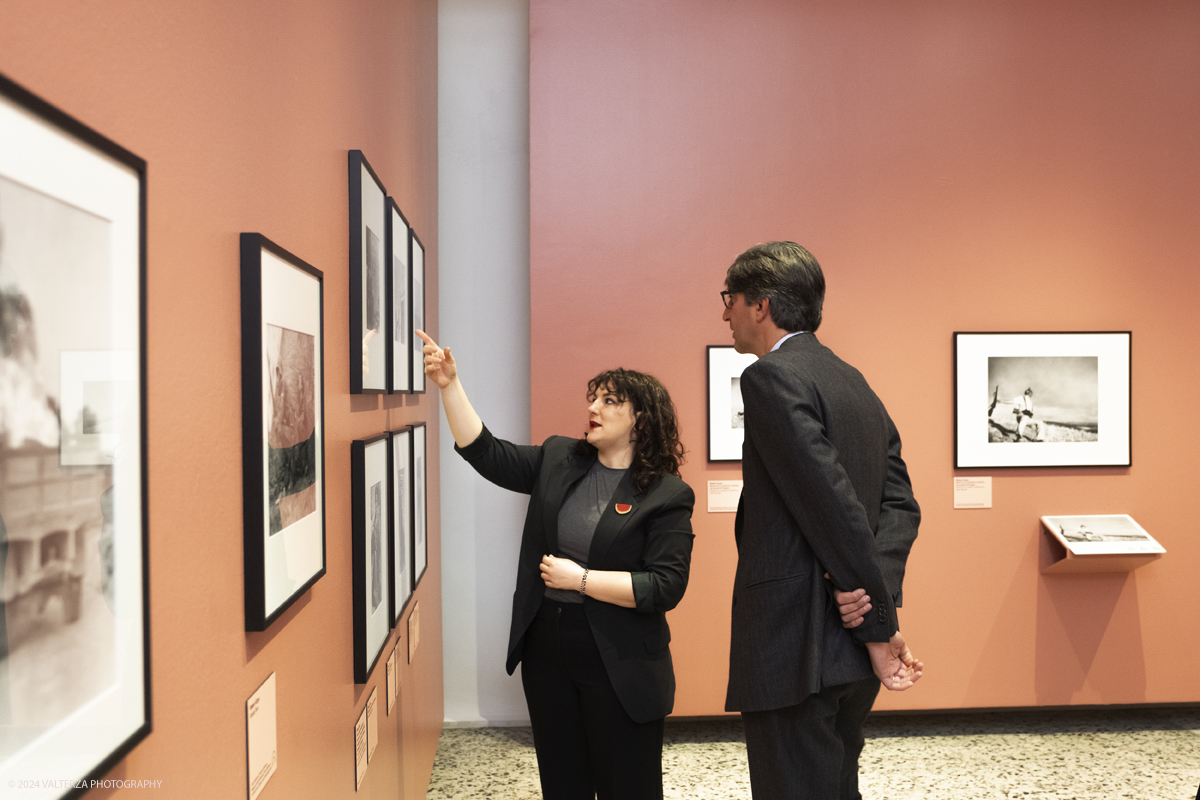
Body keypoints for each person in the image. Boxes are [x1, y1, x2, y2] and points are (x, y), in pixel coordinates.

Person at [416, 329, 694, 800]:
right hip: (548, 650)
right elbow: (486, 452)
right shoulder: (560, 457)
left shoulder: (666, 494)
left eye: (609, 401)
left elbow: (664, 585)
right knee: (562, 782)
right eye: (593, 398)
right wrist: (449, 386)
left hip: (619, 659)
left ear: (640, 419)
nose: (593, 408)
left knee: (628, 785)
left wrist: (581, 580)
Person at [719, 242, 923, 800]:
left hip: (797, 643)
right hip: (848, 651)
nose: (724, 313)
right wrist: (874, 608)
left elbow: (829, 502)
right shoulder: (853, 380)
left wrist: (872, 619)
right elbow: (901, 505)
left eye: (728, 298)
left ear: (760, 305)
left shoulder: (771, 378)